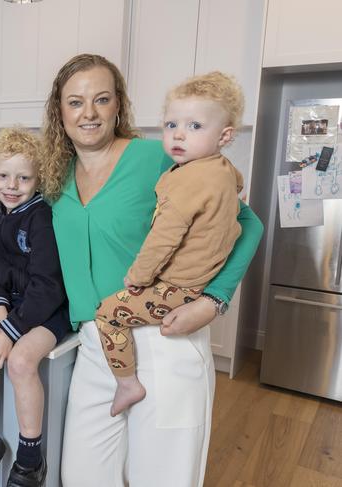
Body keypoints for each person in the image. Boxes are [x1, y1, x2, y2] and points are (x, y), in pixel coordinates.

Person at [40, 54, 263, 487]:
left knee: (161, 479)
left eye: (101, 99)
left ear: (118, 105)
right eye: (75, 102)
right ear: (59, 111)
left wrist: (215, 300)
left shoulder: (160, 157)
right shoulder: (56, 175)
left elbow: (248, 223)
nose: (89, 113)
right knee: (84, 476)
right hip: (96, 343)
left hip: (164, 343)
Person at [95, 71, 246, 417]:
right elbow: (237, 187)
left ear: (224, 135)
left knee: (108, 314)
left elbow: (162, 240)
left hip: (179, 288)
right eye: (171, 124)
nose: (178, 134)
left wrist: (138, 276)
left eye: (195, 126)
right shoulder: (222, 169)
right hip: (202, 279)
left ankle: (128, 383)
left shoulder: (185, 183)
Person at [0, 127, 69, 487]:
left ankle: (30, 461)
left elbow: (49, 285)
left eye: (24, 177)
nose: (12, 185)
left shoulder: (42, 217)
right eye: (3, 176)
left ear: (39, 179)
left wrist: (9, 330)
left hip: (47, 306)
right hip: (11, 304)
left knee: (21, 361)